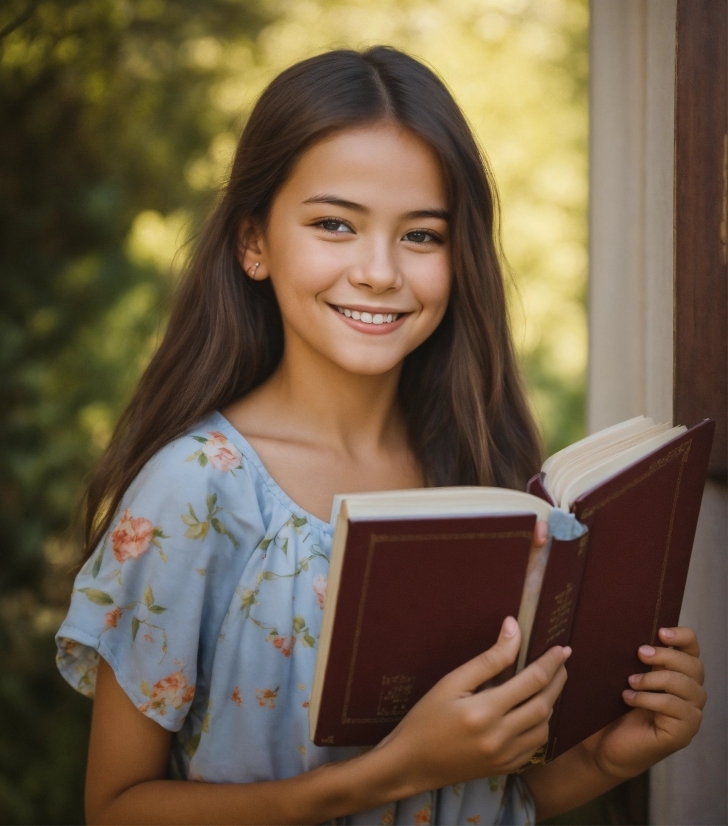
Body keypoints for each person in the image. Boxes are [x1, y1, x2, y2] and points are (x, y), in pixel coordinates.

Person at [55, 47, 706, 825]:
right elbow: (116, 810)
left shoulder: (482, 480)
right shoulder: (197, 491)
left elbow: (479, 796)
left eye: (422, 236)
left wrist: (609, 755)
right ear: (252, 242)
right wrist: (390, 771)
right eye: (334, 224)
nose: (378, 271)